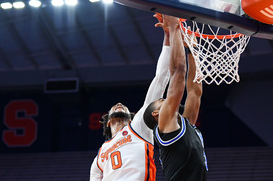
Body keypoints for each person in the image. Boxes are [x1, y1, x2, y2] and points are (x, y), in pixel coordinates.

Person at [89, 14, 172, 181]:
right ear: (108, 122)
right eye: (115, 106)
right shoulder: (99, 157)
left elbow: (161, 79)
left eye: (123, 106)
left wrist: (169, 36)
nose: (119, 104)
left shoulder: (139, 127)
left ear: (132, 116)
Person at [143, 13, 208, 181]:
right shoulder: (164, 123)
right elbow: (178, 74)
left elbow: (195, 92)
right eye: (160, 101)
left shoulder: (186, 125)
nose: (165, 98)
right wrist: (174, 28)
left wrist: (193, 52)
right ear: (156, 114)